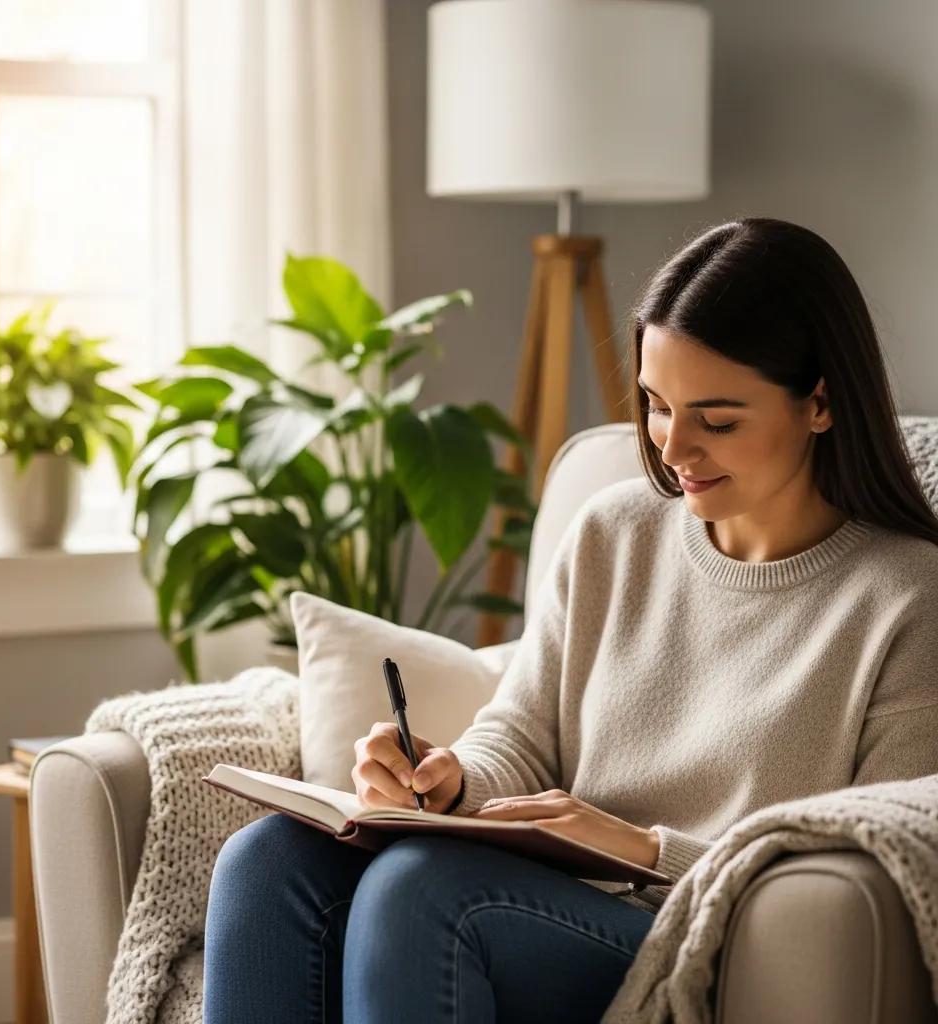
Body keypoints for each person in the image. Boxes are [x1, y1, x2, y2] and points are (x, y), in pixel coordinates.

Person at [202, 217, 938, 1023]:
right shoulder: (613, 532)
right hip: (540, 898)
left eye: (717, 420)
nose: (672, 447)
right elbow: (520, 734)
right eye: (657, 406)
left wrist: (643, 848)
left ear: (822, 402)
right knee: (266, 860)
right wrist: (449, 780)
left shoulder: (909, 596)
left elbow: (881, 860)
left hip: (699, 935)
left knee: (423, 893)